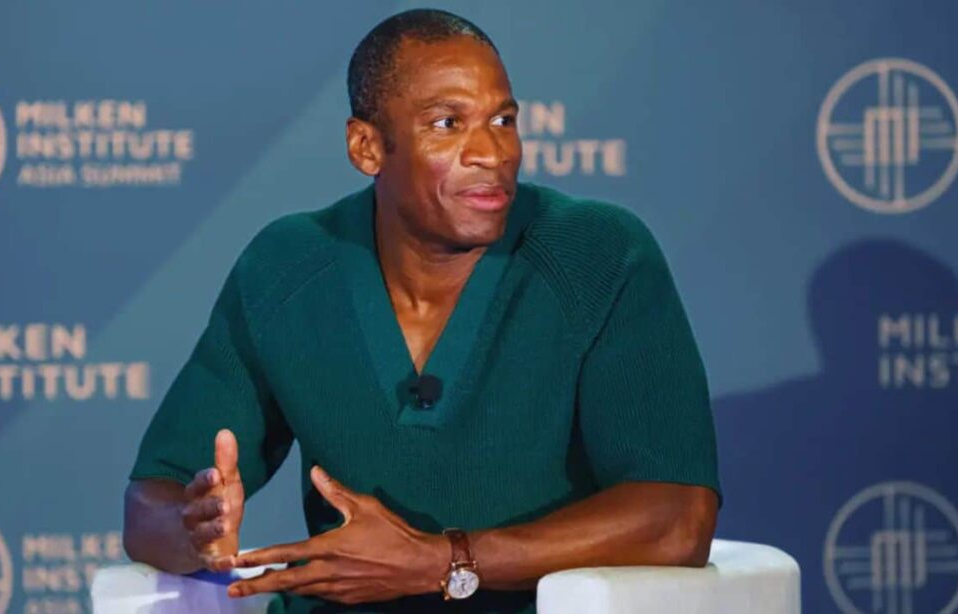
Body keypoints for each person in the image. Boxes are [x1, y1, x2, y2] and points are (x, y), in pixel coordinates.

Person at [123, 8, 721, 613]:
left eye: (503, 120)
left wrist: (442, 561)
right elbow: (150, 503)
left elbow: (678, 518)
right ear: (366, 147)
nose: (491, 152)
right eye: (447, 123)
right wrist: (193, 532)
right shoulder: (289, 266)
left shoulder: (597, 254)